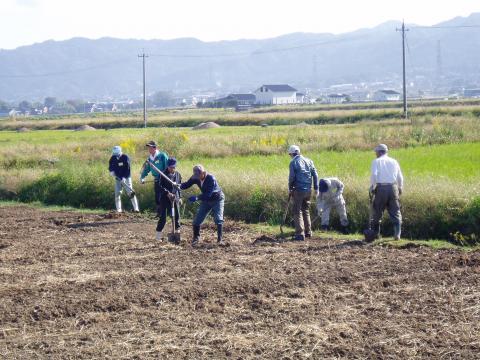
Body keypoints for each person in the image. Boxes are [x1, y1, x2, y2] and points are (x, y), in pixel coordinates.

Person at [180, 165, 225, 246]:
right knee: (197, 220)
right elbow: (187, 184)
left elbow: (208, 194)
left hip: (217, 199)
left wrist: (197, 197)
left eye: (199, 175)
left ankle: (220, 240)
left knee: (218, 219)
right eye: (196, 176)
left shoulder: (211, 179)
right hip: (206, 200)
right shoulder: (196, 177)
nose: (198, 178)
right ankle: (196, 239)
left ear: (203, 173)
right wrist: (178, 185)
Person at [368, 143, 404, 241]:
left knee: (377, 211)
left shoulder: (376, 161)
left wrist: (372, 187)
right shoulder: (394, 161)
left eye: (376, 152)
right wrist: (400, 188)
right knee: (395, 210)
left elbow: (374, 176)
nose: (375, 154)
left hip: (381, 188)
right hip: (393, 188)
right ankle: (397, 234)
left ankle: (376, 234)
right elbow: (400, 176)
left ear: (379, 152)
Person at [288, 145, 319, 241]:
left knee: (297, 211)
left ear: (292, 154)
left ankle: (300, 234)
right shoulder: (309, 161)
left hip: (298, 190)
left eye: (290, 154)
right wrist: (316, 187)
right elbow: (315, 175)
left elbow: (292, 178)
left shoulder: (293, 162)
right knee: (305, 210)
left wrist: (290, 188)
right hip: (308, 190)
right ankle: (308, 232)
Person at [155, 158, 182, 242]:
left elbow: (179, 187)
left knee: (176, 215)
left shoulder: (178, 174)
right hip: (165, 198)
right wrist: (167, 193)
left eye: (173, 167)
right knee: (163, 217)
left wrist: (180, 197)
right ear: (167, 166)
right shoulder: (162, 174)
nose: (172, 169)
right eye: (170, 167)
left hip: (175, 197)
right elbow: (159, 186)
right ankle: (158, 236)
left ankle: (176, 232)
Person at [108, 145, 139, 213]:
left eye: (117, 154)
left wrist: (124, 177)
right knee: (117, 194)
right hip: (118, 178)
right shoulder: (113, 158)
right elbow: (110, 166)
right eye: (115, 154)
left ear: (120, 152)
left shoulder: (125, 157)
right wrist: (111, 171)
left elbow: (128, 169)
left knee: (130, 193)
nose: (116, 156)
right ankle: (119, 210)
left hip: (126, 178)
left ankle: (136, 208)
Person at [140, 141, 169, 208]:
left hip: (164, 179)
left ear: (155, 148)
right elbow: (147, 169)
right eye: (148, 148)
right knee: (157, 197)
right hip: (156, 180)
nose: (149, 149)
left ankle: (166, 212)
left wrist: (164, 177)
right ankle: (159, 212)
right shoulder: (150, 159)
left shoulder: (162, 156)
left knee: (164, 196)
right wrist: (142, 177)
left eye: (150, 148)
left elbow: (167, 167)